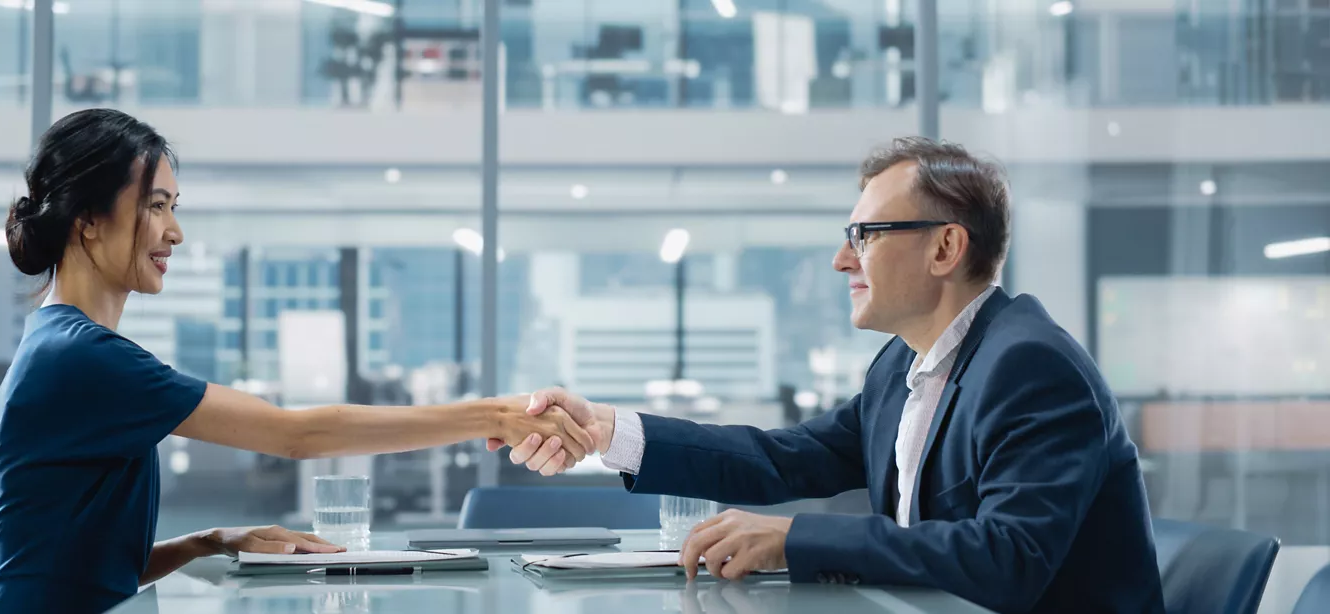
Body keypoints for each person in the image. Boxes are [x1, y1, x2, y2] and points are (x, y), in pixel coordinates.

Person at [496, 138, 1164, 614]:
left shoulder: (1030, 367)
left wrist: (796, 540)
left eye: (866, 234)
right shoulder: (906, 363)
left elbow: (1007, 559)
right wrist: (611, 430)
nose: (843, 260)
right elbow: (788, 459)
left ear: (945, 247)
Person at [0, 108, 593, 614]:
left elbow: (73, 559)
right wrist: (494, 415)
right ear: (89, 221)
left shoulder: (59, 345)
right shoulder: (83, 358)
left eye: (173, 207)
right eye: (156, 206)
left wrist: (208, 541)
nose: (174, 232)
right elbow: (297, 433)